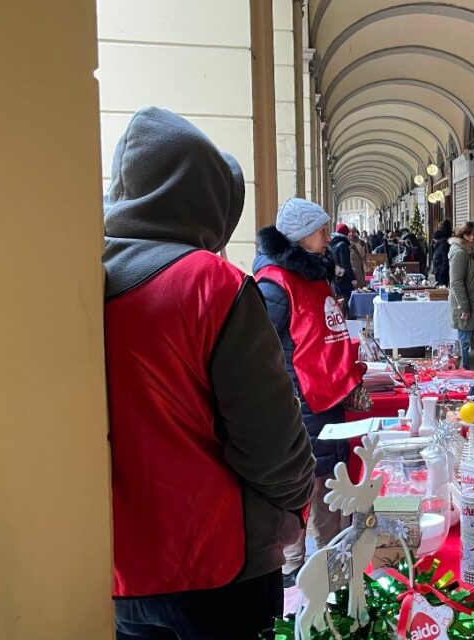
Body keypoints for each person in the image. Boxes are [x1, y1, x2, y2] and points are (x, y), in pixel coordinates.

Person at [103, 107, 315, 639]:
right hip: (221, 560)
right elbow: (269, 436)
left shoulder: (82, 274)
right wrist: (292, 509)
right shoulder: (210, 283)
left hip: (117, 566)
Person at [254, 200, 366, 584]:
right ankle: (295, 560)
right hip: (302, 397)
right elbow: (263, 343)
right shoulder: (275, 282)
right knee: (306, 478)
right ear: (302, 235)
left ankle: (330, 550)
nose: (327, 235)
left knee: (328, 472)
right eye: (320, 230)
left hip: (327, 392)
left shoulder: (315, 274)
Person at [449, 221, 474, 369]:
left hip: (473, 300)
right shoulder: (460, 252)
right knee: (464, 340)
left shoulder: (472, 251)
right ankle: (463, 372)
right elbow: (456, 282)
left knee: (467, 339)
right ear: (461, 234)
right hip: (465, 304)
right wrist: (464, 307)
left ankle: (464, 369)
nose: (472, 237)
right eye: (468, 234)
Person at [329, 222, 357, 302]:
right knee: (347, 301)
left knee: (339, 301)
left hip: (335, 278)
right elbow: (346, 264)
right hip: (344, 279)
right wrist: (353, 279)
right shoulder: (343, 245)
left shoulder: (331, 243)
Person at [349, 226, 369, 292]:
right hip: (353, 270)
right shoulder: (348, 244)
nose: (352, 234)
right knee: (355, 288)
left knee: (362, 286)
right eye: (350, 232)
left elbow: (366, 255)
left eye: (353, 232)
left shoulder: (362, 243)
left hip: (361, 268)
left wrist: (365, 265)